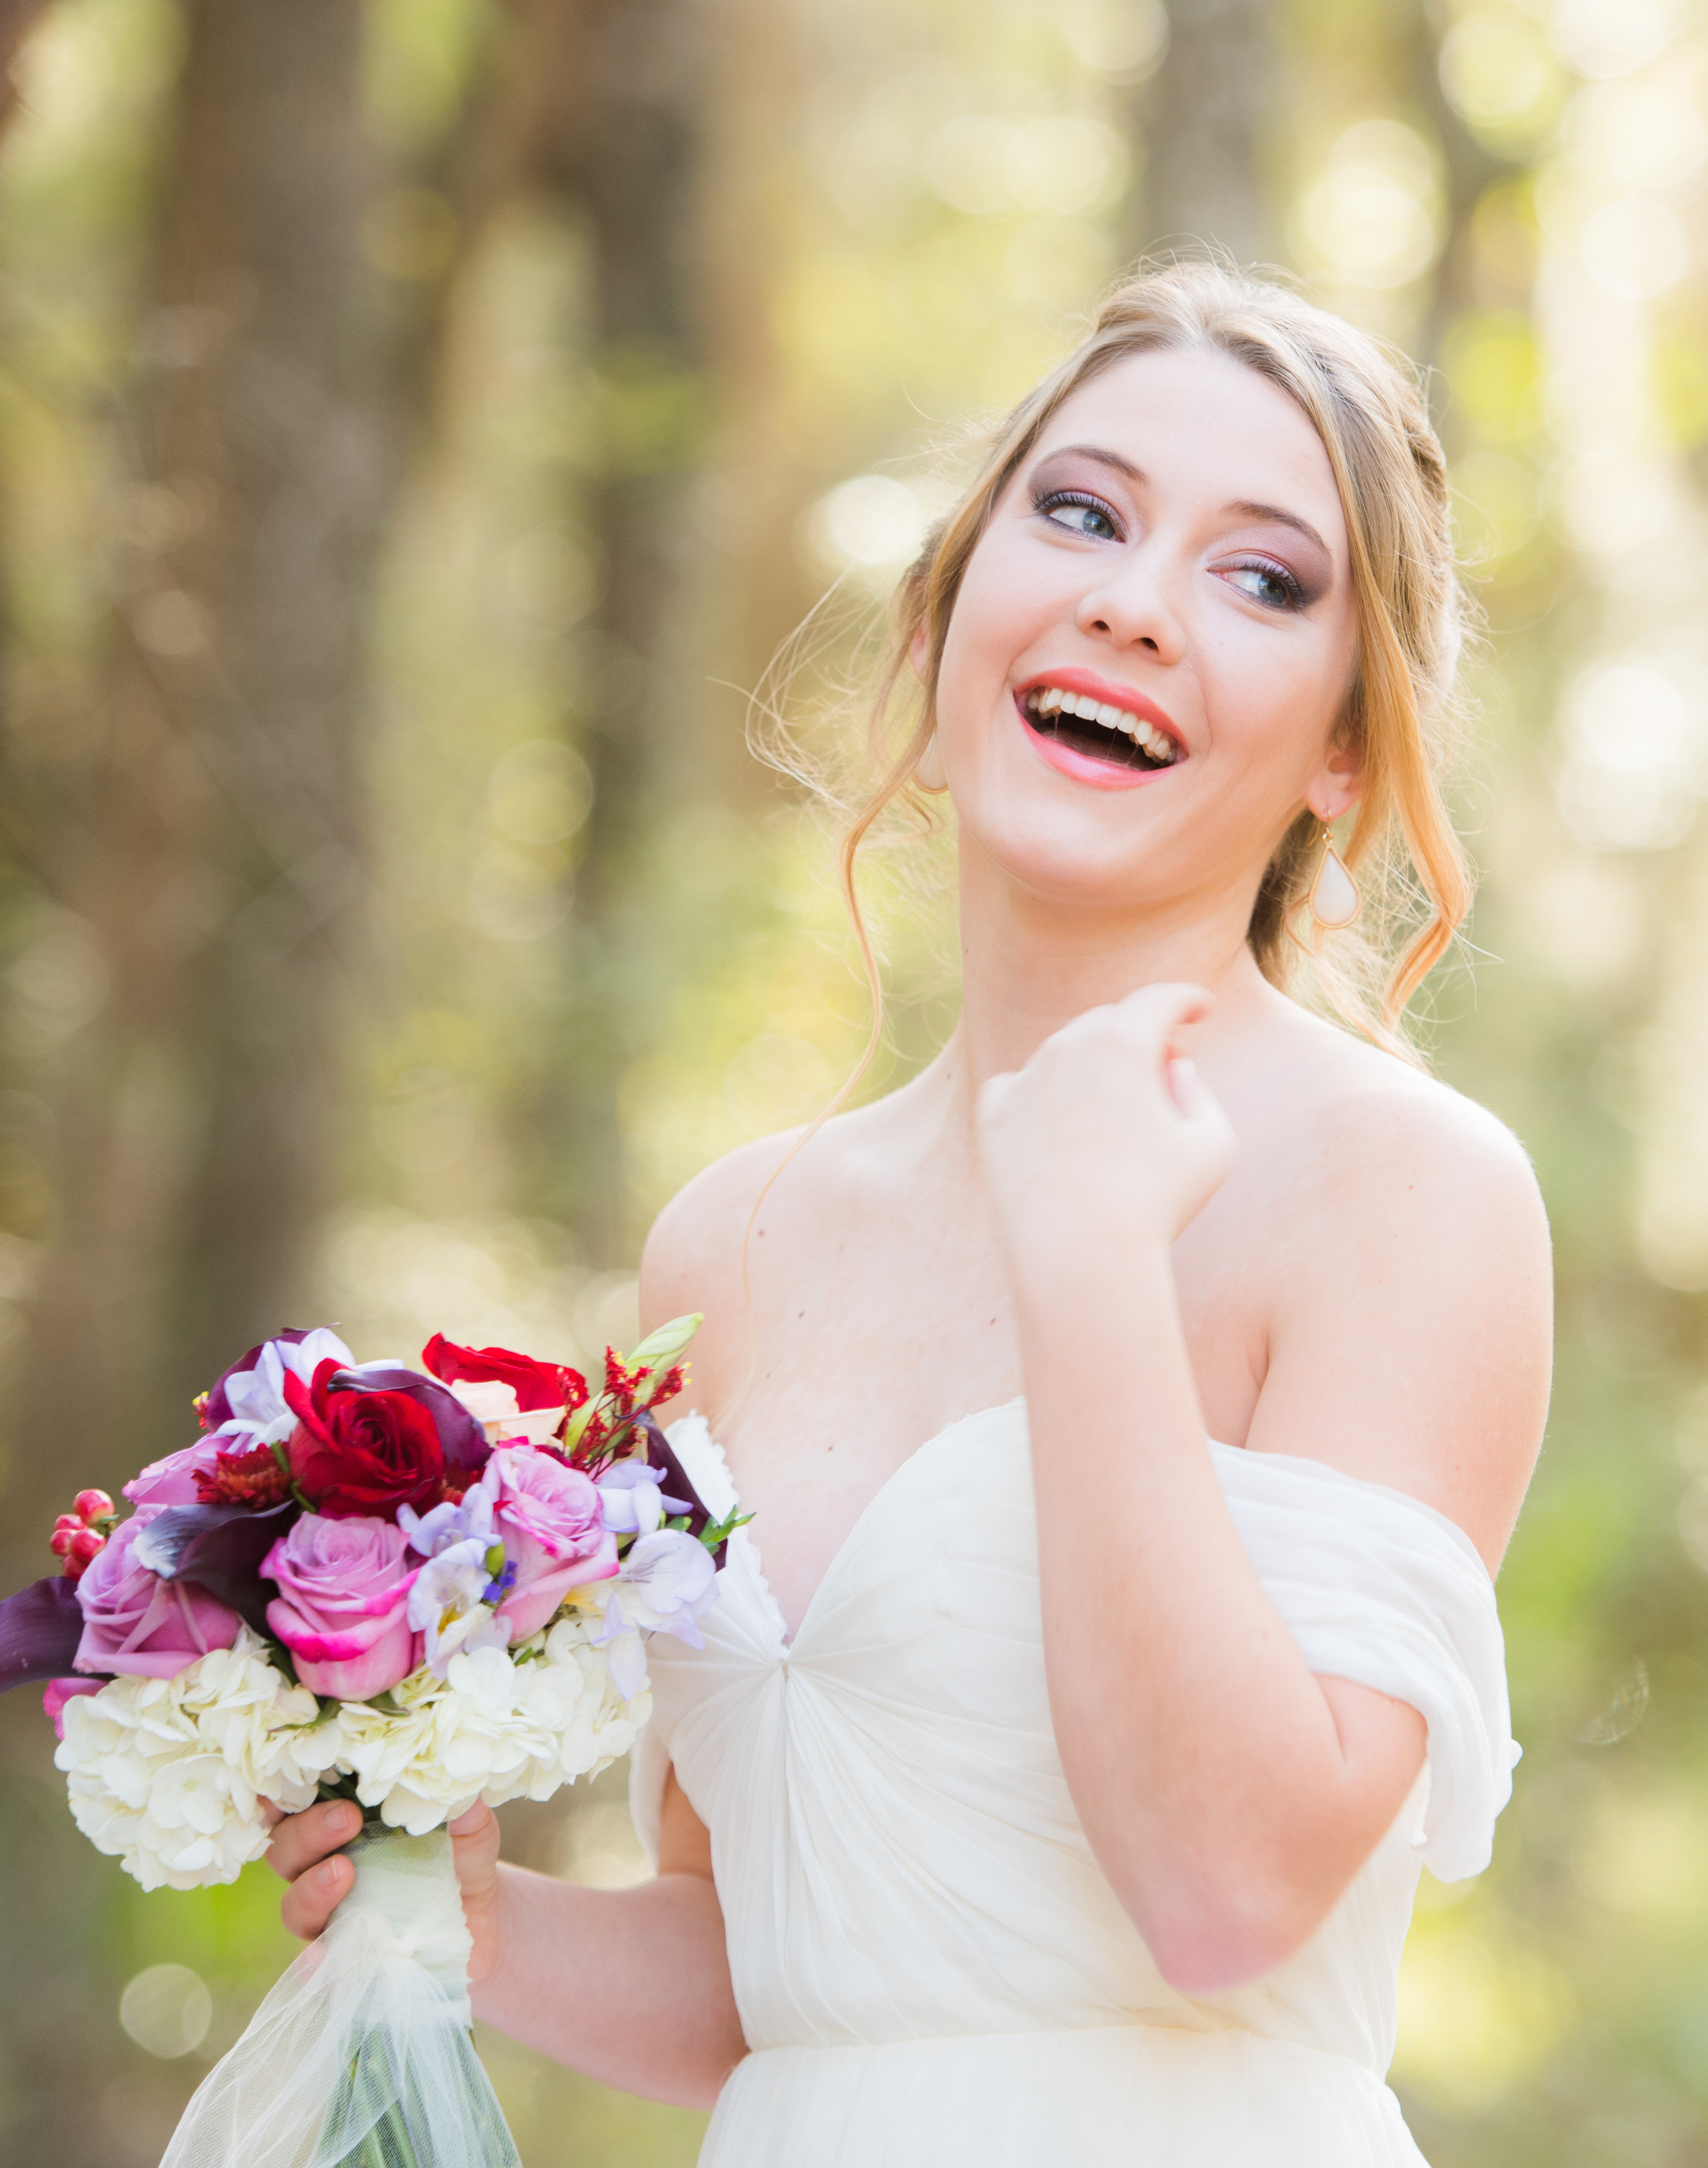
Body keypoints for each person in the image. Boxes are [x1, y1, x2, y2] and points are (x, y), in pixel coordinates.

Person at [269, 261, 1551, 2165]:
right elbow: (801, 1975)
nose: (1130, 596)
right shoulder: (735, 1242)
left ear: (1346, 753)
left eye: (1260, 575)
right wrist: (471, 1925)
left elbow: (1222, 1899)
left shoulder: (1405, 1191)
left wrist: (1092, 1258)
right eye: (1082, 513)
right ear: (953, 611)